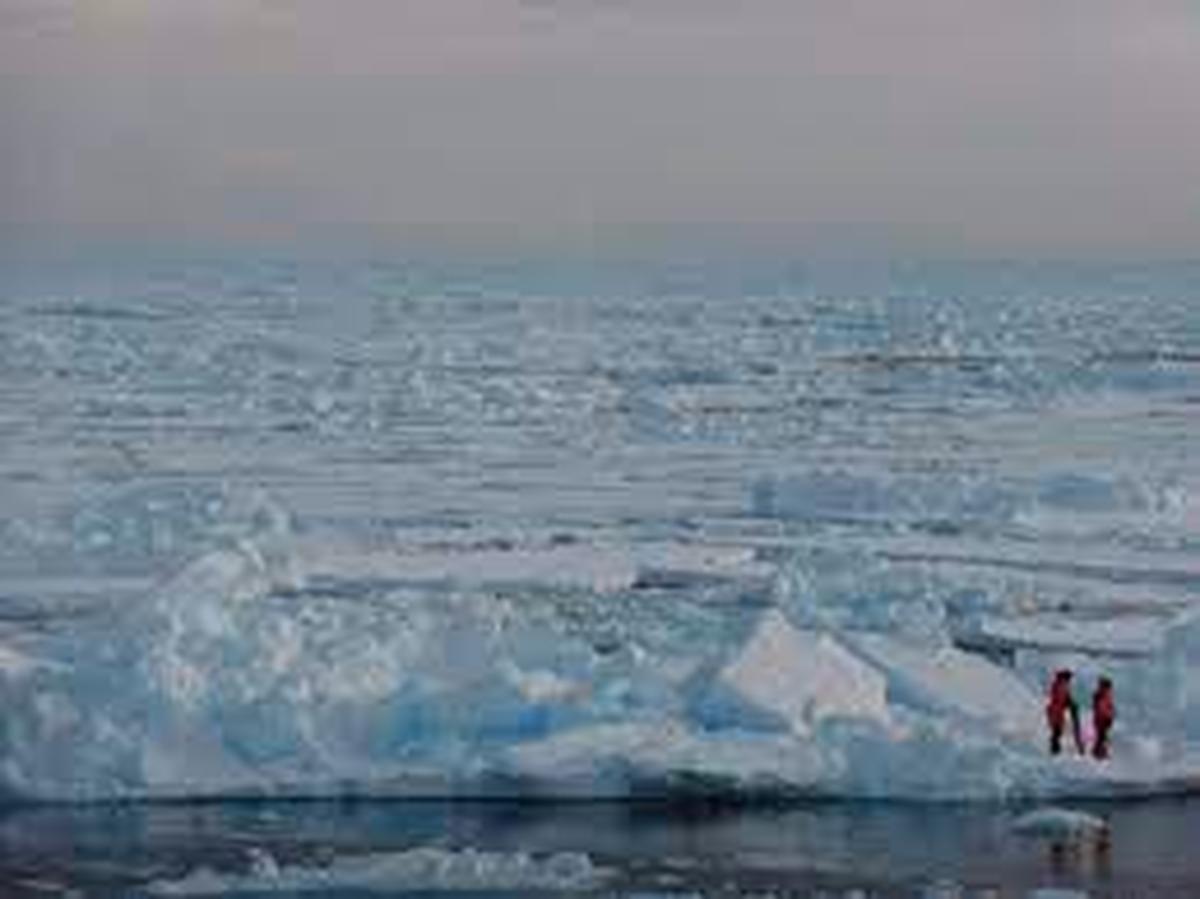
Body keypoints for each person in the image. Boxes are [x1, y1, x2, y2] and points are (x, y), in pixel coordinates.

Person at [1046, 669, 1084, 756]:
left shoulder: (1062, 685)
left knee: (1058, 731)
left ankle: (1055, 749)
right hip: (1055, 711)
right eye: (1068, 678)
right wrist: (1069, 703)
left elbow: (1065, 697)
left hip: (1057, 711)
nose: (1069, 680)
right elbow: (1059, 698)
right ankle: (1054, 750)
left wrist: (1070, 703)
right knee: (1057, 731)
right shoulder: (1060, 685)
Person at [1091, 676, 1115, 760]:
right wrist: (1108, 716)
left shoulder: (1104, 695)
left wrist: (1111, 715)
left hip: (1102, 720)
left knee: (1102, 737)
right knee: (1101, 737)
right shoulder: (1100, 695)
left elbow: (1108, 707)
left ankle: (1100, 753)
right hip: (1101, 720)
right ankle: (1099, 754)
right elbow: (1102, 708)